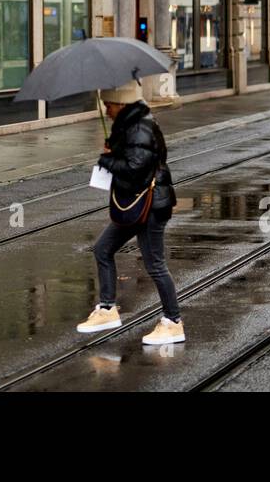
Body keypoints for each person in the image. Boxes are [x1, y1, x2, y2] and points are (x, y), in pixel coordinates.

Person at [77, 80, 183, 346]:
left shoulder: (140, 126)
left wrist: (107, 160)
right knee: (103, 249)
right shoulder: (129, 125)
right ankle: (107, 308)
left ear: (121, 104)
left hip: (150, 205)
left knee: (155, 264)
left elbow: (135, 167)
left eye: (109, 105)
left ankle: (173, 322)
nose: (106, 110)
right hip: (137, 204)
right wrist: (114, 148)